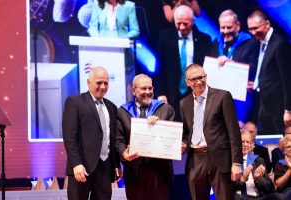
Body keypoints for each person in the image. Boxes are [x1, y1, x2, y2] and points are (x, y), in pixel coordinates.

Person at [180, 64, 242, 200]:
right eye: (194, 79)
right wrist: (183, 143)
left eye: (201, 77)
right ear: (187, 82)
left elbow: (234, 131)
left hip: (219, 159)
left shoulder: (223, 96)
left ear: (206, 77)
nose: (198, 82)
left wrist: (236, 163)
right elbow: (186, 132)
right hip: (195, 160)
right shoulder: (184, 103)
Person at [62, 66, 121, 200]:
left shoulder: (112, 107)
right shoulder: (74, 102)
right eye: (99, 82)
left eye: (106, 83)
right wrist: (76, 164)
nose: (103, 86)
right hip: (81, 168)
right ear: (89, 82)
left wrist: (116, 165)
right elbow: (69, 137)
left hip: (105, 168)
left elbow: (112, 139)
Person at [115, 74, 175, 200]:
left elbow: (172, 140)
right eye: (143, 88)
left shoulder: (166, 109)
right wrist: (123, 154)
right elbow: (119, 141)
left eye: (150, 88)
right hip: (134, 172)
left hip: (159, 172)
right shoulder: (123, 111)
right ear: (134, 91)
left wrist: (160, 126)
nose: (148, 92)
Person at [156, 4, 211, 120]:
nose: (181, 27)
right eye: (178, 23)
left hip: (196, 93)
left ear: (193, 21)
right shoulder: (164, 37)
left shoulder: (204, 40)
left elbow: (208, 70)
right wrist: (160, 93)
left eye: (185, 23)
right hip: (171, 94)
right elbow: (160, 68)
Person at [210, 9, 259, 122]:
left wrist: (232, 66)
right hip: (219, 100)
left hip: (242, 99)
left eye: (229, 27)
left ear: (237, 26)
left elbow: (255, 68)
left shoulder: (251, 43)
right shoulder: (215, 43)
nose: (226, 31)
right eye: (223, 27)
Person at [247, 10, 291, 135]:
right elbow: (266, 70)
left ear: (267, 24)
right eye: (250, 29)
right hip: (264, 106)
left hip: (279, 109)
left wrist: (288, 110)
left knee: (281, 147)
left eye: (256, 28)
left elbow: (287, 79)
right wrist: (255, 84)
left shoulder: (280, 44)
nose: (253, 32)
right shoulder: (260, 43)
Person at [234, 130, 278, 200]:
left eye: (248, 142)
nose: (245, 145)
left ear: (251, 145)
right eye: (242, 141)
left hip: (257, 198)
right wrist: (242, 179)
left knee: (277, 197)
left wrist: (258, 179)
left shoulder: (258, 160)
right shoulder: (231, 162)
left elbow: (269, 187)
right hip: (238, 198)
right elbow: (225, 186)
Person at [274, 134, 291, 199]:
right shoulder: (280, 164)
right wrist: (290, 170)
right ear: (283, 151)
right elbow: (279, 185)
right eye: (288, 146)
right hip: (285, 194)